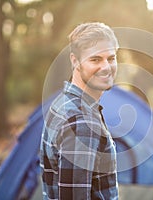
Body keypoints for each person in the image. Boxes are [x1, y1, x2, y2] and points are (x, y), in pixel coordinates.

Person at [39, 22, 119, 200]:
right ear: (75, 61)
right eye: (95, 59)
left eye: (111, 58)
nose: (106, 67)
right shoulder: (81, 121)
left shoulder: (64, 103)